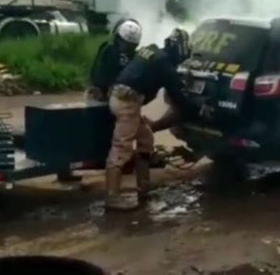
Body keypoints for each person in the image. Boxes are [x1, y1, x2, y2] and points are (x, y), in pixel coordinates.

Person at [105, 28, 205, 210]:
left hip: (121, 96)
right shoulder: (164, 64)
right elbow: (180, 97)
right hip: (127, 102)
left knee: (146, 139)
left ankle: (143, 189)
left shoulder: (152, 50)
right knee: (121, 148)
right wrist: (200, 109)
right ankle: (112, 198)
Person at [57, 19, 142, 184]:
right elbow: (101, 75)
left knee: (105, 131)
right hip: (105, 95)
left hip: (108, 95)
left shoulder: (109, 49)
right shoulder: (126, 54)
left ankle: (100, 160)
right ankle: (97, 160)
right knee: (105, 131)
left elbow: (96, 72)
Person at [85, 19, 142, 102]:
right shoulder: (135, 55)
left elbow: (96, 74)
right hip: (112, 95)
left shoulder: (108, 48)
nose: (125, 47)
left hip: (114, 95)